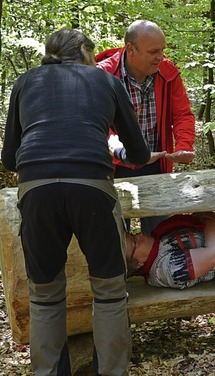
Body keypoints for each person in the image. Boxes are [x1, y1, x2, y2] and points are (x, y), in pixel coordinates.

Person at [1, 29, 150, 375]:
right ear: (84, 52)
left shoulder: (25, 82)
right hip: (92, 186)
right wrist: (113, 146)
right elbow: (140, 153)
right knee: (110, 292)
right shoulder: (105, 81)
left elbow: (10, 158)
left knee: (45, 296)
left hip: (36, 190)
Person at [96, 20, 196, 234]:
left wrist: (184, 146)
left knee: (161, 233)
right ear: (131, 50)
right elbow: (97, 126)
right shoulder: (102, 76)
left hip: (156, 164)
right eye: (153, 51)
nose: (160, 56)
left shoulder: (168, 72)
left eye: (162, 50)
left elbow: (182, 115)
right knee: (113, 234)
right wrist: (124, 153)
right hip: (112, 167)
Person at [125, 213, 215, 288]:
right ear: (139, 263)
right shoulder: (166, 269)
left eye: (132, 235)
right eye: (134, 242)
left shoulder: (158, 239)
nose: (138, 236)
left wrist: (204, 217)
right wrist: (209, 221)